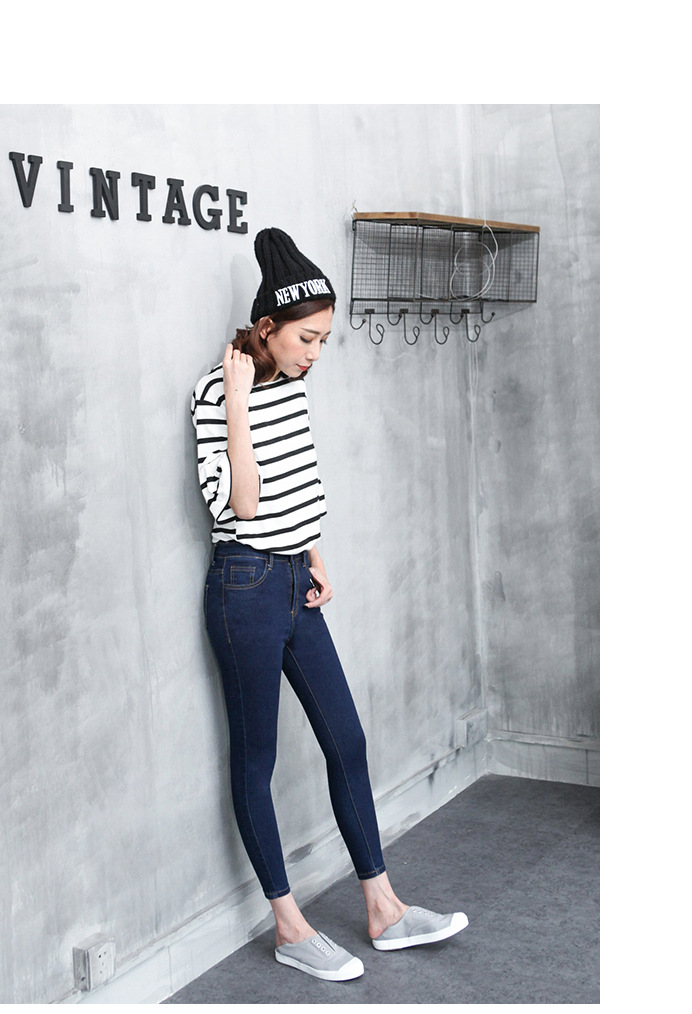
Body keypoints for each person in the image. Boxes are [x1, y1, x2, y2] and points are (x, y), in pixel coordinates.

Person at [190, 228, 468, 982]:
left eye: (324, 340)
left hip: (293, 582)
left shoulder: (293, 384)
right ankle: (289, 927)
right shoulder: (216, 394)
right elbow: (245, 505)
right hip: (243, 587)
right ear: (267, 327)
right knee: (257, 757)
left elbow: (296, 481)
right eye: (306, 338)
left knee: (347, 740)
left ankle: (385, 909)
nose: (316, 353)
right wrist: (239, 402)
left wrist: (314, 554)